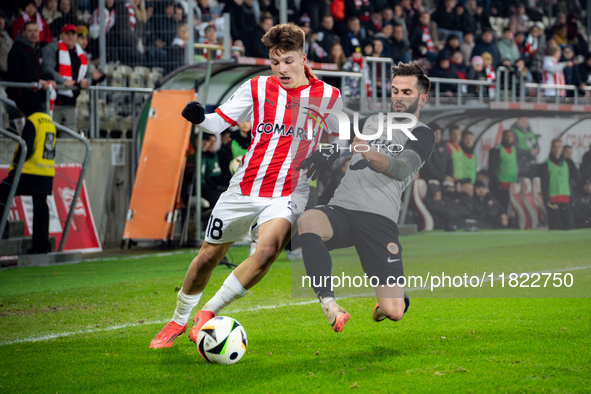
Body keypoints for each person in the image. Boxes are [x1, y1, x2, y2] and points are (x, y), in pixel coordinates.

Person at [149, 23, 343, 348]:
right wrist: (199, 118)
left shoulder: (328, 96)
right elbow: (219, 122)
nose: (281, 68)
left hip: (286, 195)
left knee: (267, 251)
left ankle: (208, 313)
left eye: (289, 61)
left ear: (303, 58)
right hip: (243, 190)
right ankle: (178, 320)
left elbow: (338, 139)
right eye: (275, 61)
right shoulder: (256, 88)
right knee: (207, 258)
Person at [297, 62, 435, 332]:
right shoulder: (372, 122)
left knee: (394, 311)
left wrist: (370, 152)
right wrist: (328, 148)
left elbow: (402, 168)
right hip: (343, 209)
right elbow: (338, 128)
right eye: (395, 90)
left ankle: (387, 303)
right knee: (308, 221)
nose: (398, 97)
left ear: (422, 98)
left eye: (407, 92)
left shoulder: (422, 133)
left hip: (379, 220)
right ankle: (328, 303)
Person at [0, 94, 56, 253]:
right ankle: (42, 245)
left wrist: (15, 167)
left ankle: (3, 232)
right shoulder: (49, 121)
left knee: (2, 193)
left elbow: (26, 147)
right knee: (41, 208)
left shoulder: (33, 120)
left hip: (29, 172)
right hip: (46, 171)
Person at [42, 24, 104, 131]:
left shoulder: (82, 54)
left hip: (71, 103)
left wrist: (87, 81)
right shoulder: (52, 49)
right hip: (53, 101)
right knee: (50, 134)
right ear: (61, 36)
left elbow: (88, 75)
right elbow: (47, 68)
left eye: (73, 34)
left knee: (68, 136)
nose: (70, 37)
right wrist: (63, 81)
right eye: (67, 34)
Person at [6, 21, 55, 112]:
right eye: (30, 31)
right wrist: (37, 81)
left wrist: (48, 80)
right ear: (23, 33)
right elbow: (14, 75)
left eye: (36, 31)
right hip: (18, 99)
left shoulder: (37, 50)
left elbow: (38, 72)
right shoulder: (16, 50)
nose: (33, 34)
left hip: (33, 98)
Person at [539, 139, 575, 230]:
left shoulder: (567, 163)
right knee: (554, 226)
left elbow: (572, 181)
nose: (557, 149)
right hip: (553, 201)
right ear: (551, 148)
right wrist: (548, 201)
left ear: (562, 148)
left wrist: (572, 198)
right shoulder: (546, 164)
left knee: (569, 226)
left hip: (566, 200)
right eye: (554, 147)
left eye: (559, 146)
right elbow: (544, 185)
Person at [488, 129, 518, 210]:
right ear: (503, 137)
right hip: (500, 186)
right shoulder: (497, 149)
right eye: (507, 136)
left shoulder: (514, 149)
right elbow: (492, 169)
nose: (509, 138)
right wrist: (497, 183)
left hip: (511, 185)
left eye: (511, 136)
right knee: (499, 208)